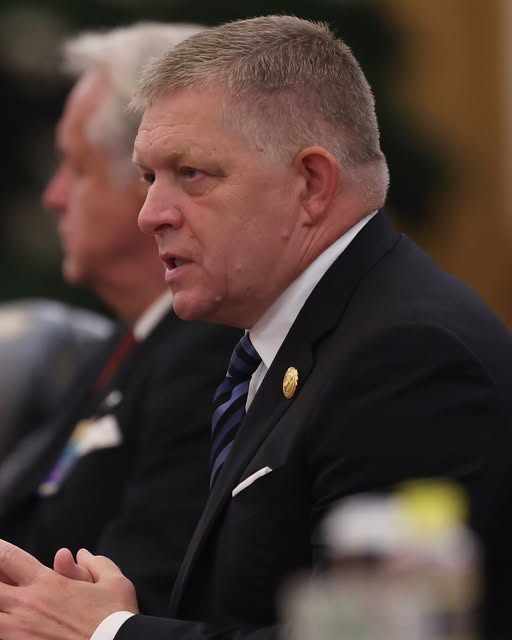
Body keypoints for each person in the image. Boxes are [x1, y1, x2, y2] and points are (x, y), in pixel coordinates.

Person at [0, 14, 510, 640]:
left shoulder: (409, 358)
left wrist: (109, 632)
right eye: (149, 178)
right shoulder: (298, 339)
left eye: (191, 174)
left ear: (312, 184)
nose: (151, 214)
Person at [0, 22, 240, 617]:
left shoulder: (208, 356)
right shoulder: (129, 342)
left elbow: (141, 597)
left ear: (145, 185)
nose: (54, 196)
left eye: (75, 167)